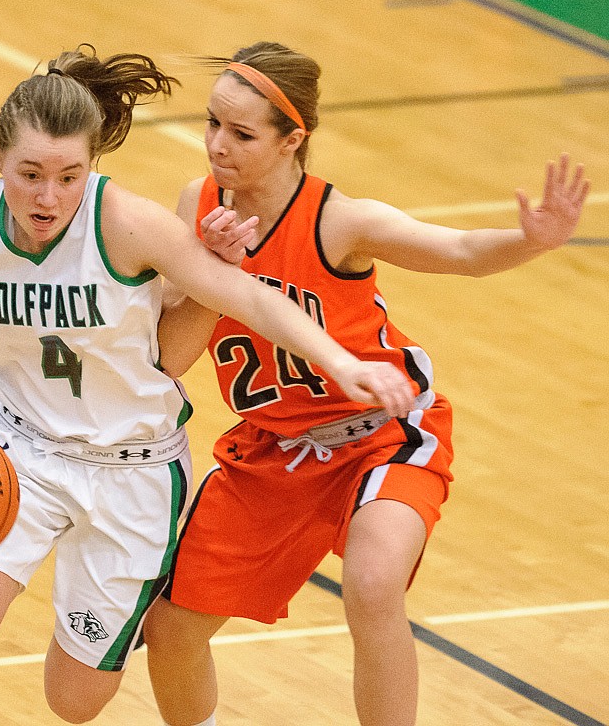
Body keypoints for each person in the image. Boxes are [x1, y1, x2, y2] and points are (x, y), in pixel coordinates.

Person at [0, 44, 419, 726]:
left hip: (132, 473)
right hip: (17, 450)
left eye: (69, 176)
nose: (49, 197)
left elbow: (247, 297)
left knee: (75, 702)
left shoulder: (127, 224)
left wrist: (342, 362)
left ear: (92, 167)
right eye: (31, 174)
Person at [143, 42, 590, 726]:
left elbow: (461, 253)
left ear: (294, 139)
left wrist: (533, 240)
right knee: (172, 631)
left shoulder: (337, 221)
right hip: (273, 451)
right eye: (212, 124)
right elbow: (170, 357)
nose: (216, 146)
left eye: (241, 133)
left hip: (382, 434)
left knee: (374, 585)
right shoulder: (197, 206)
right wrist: (206, 269)